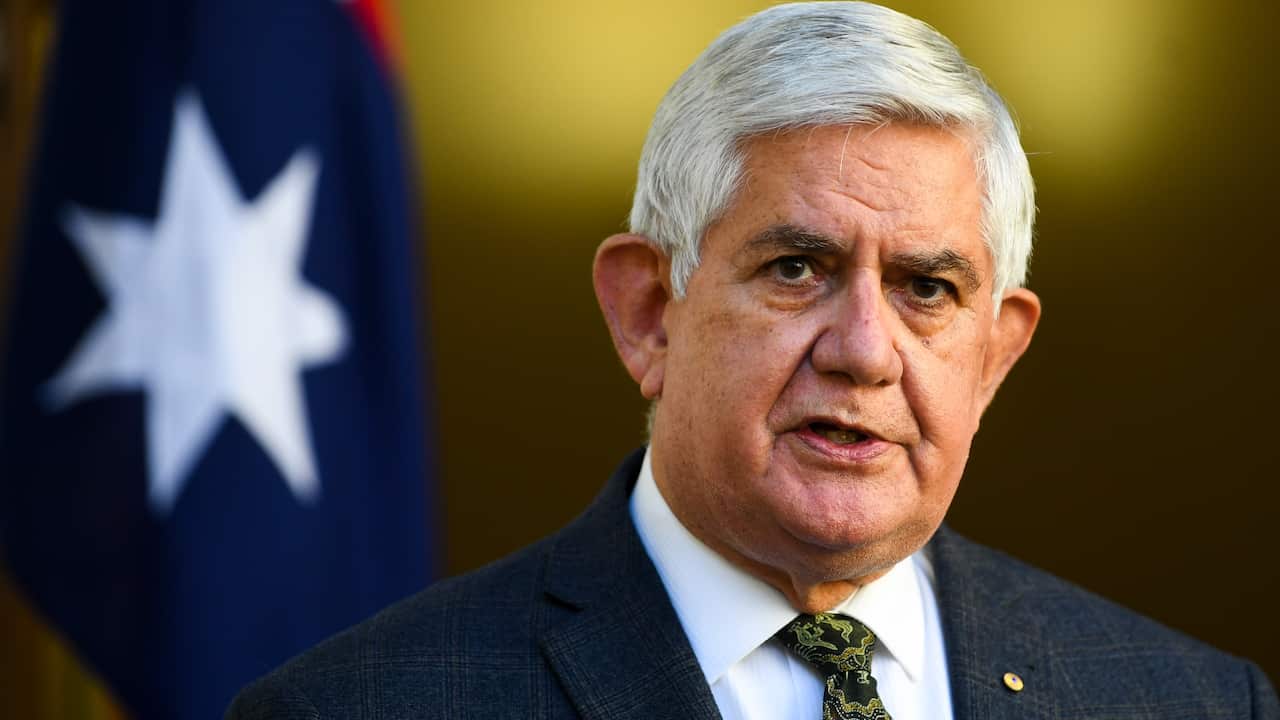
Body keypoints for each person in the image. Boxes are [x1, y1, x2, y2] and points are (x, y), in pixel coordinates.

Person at [228, 3, 1278, 718]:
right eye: (796, 268)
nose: (864, 352)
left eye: (926, 289)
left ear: (994, 358)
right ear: (649, 313)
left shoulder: (1191, 702)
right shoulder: (358, 706)